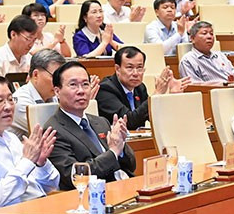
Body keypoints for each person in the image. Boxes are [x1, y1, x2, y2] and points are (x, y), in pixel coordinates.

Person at [0, 76, 60, 210]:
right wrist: (27, 162)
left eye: (10, 99)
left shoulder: (11, 138)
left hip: (38, 209)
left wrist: (41, 163)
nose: (8, 107)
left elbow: (51, 186)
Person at [46, 61, 136, 189]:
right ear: (57, 91)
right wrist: (113, 152)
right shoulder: (53, 131)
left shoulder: (101, 122)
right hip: (93, 196)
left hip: (124, 187)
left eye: (85, 84)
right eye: (73, 85)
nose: (81, 91)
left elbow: (131, 165)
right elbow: (74, 176)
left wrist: (121, 147)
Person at [96, 46, 188, 131]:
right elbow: (129, 122)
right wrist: (157, 94)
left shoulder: (140, 88)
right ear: (117, 69)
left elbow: (156, 117)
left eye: (139, 68)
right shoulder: (105, 89)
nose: (135, 73)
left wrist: (173, 95)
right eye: (130, 67)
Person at [10, 49, 66, 139]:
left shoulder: (52, 96)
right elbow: (51, 133)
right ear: (36, 75)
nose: (58, 83)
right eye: (54, 77)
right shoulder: (21, 101)